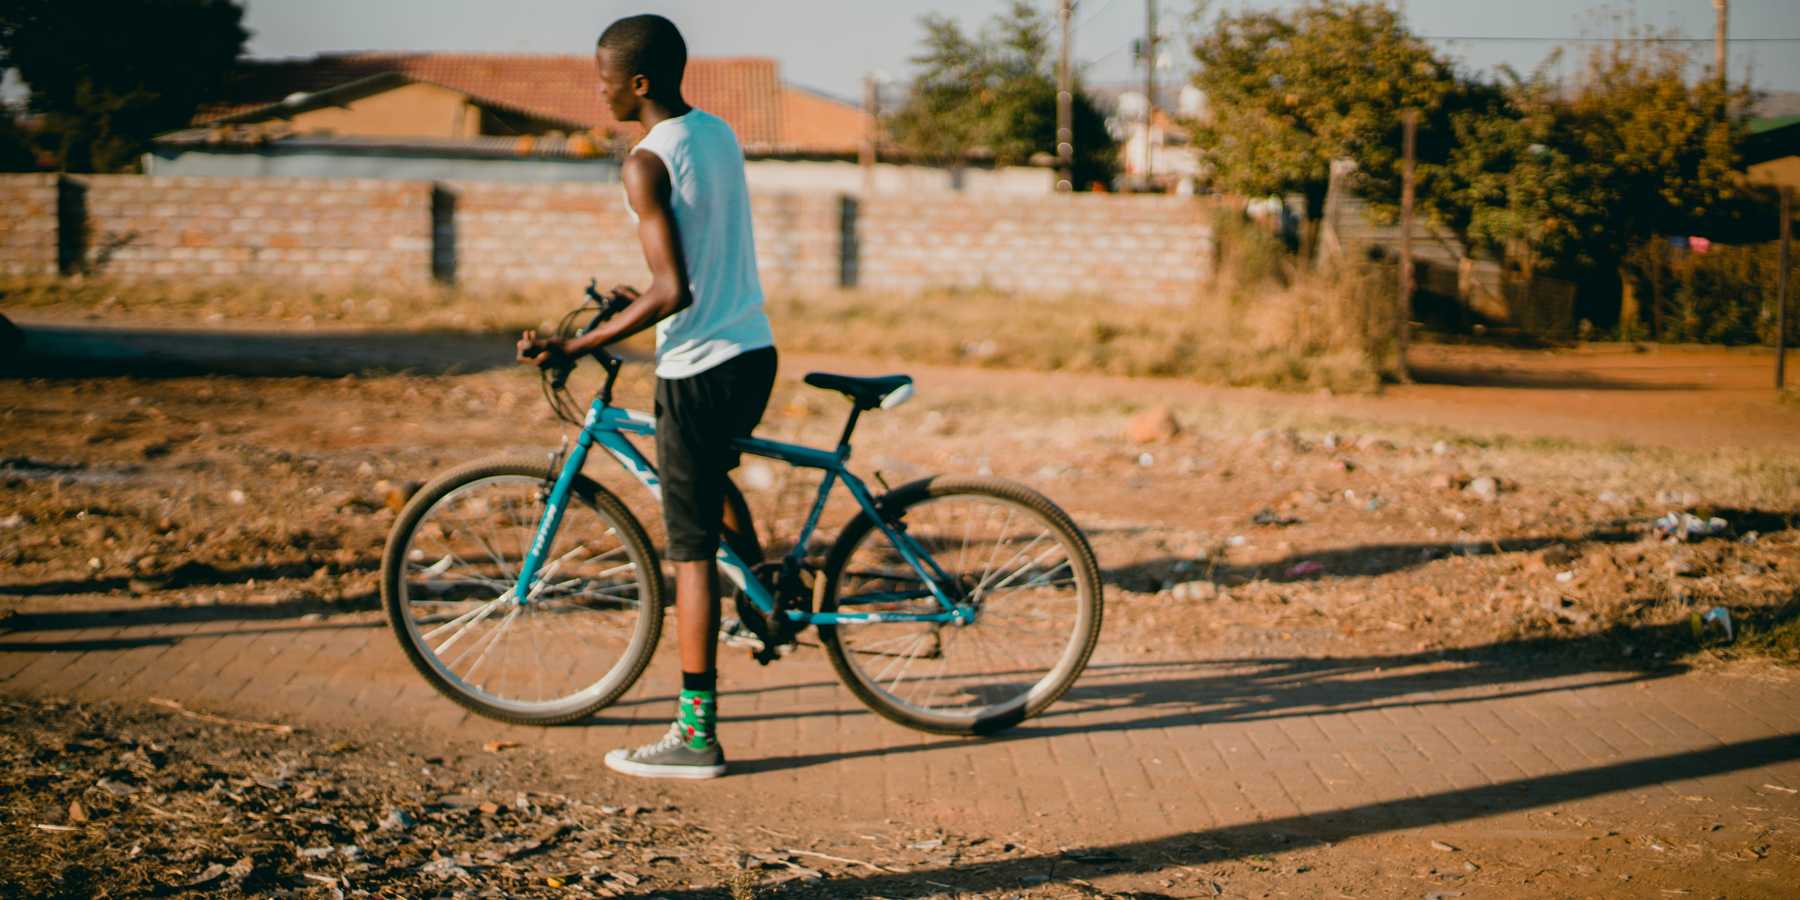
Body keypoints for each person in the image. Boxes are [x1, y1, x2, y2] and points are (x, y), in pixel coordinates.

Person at [516, 13, 776, 779]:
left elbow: (672, 287)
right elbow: (700, 255)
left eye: (601, 79)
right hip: (750, 350)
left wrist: (578, 344)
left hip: (696, 368)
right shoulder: (716, 133)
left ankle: (696, 737)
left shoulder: (643, 162)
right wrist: (638, 303)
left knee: (688, 555)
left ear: (638, 83)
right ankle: (761, 601)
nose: (594, 91)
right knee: (708, 482)